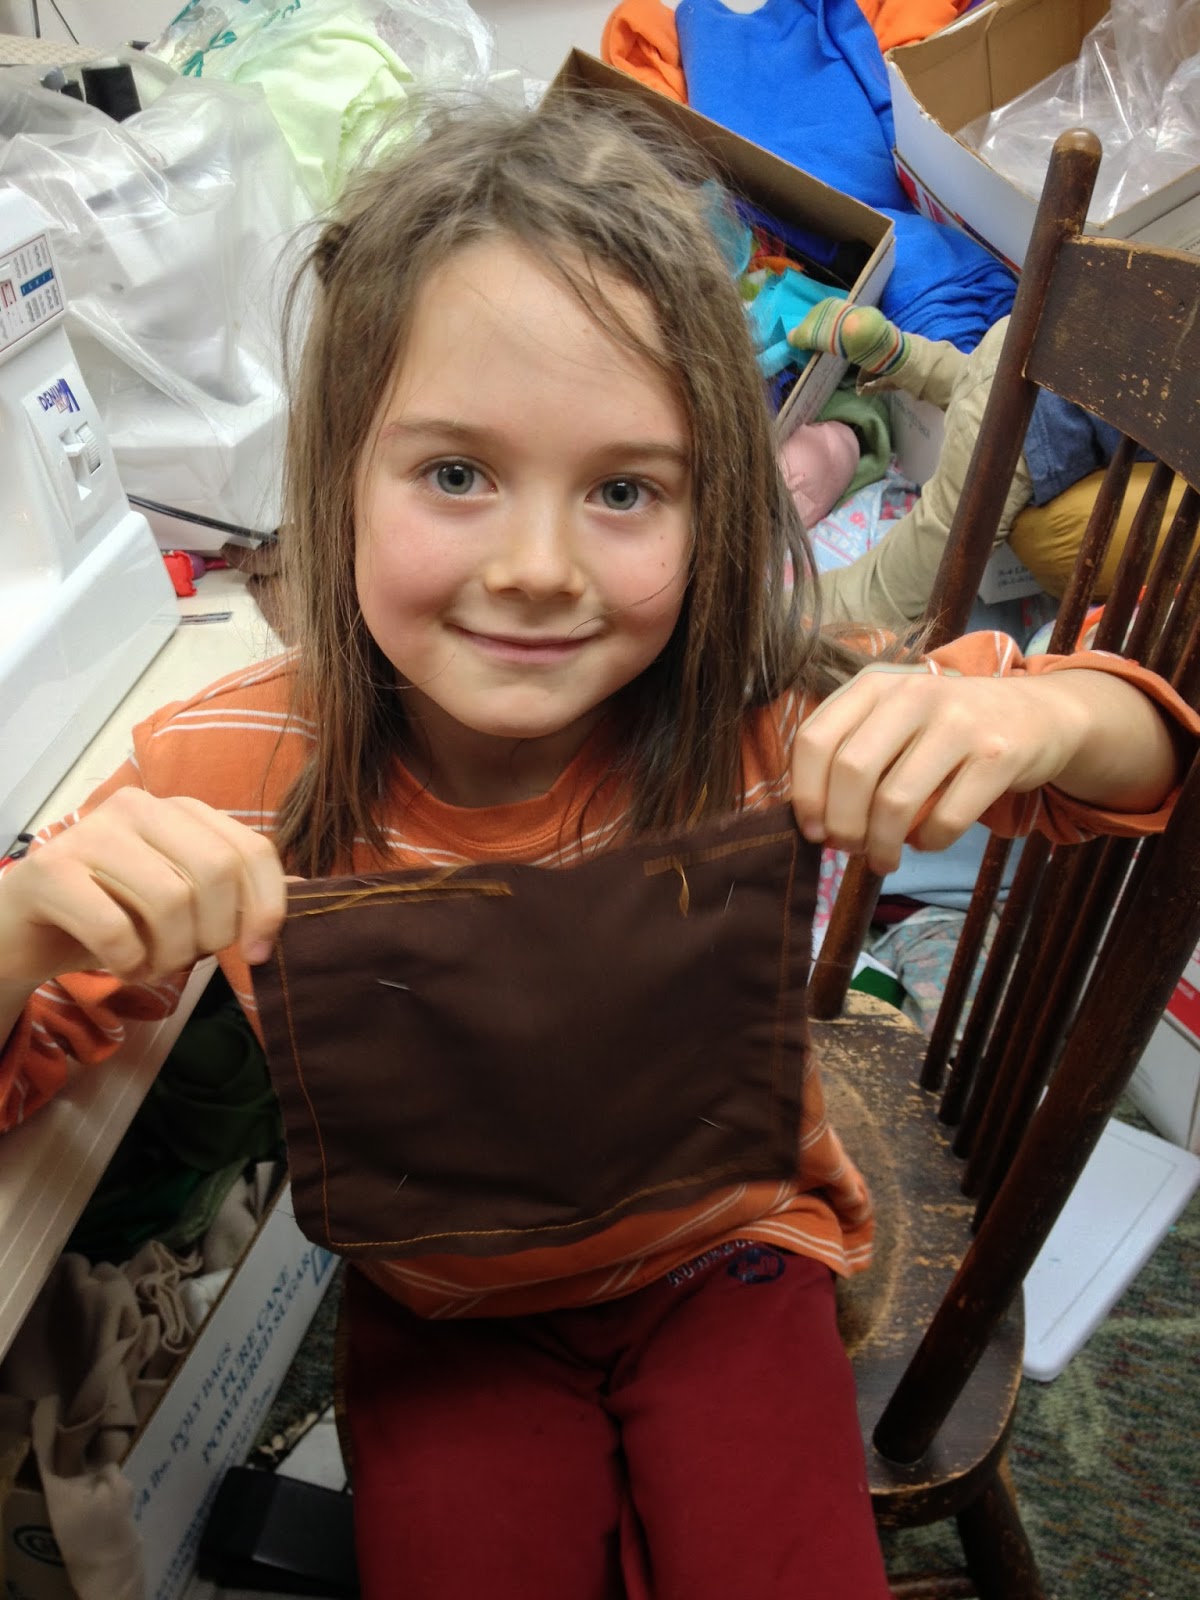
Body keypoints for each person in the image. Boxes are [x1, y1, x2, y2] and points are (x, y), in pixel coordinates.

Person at [0, 95, 1194, 1600]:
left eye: (624, 490)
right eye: (456, 474)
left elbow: (1145, 763)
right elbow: (30, 1041)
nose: (537, 569)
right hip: (444, 1311)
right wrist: (29, 927)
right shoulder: (221, 771)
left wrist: (1044, 719)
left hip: (735, 1262)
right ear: (337, 475)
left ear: (712, 509)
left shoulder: (766, 709)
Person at [791, 297, 1160, 628]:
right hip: (1028, 421)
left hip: (1022, 339)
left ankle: (897, 355)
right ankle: (795, 614)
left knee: (985, 387)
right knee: (918, 558)